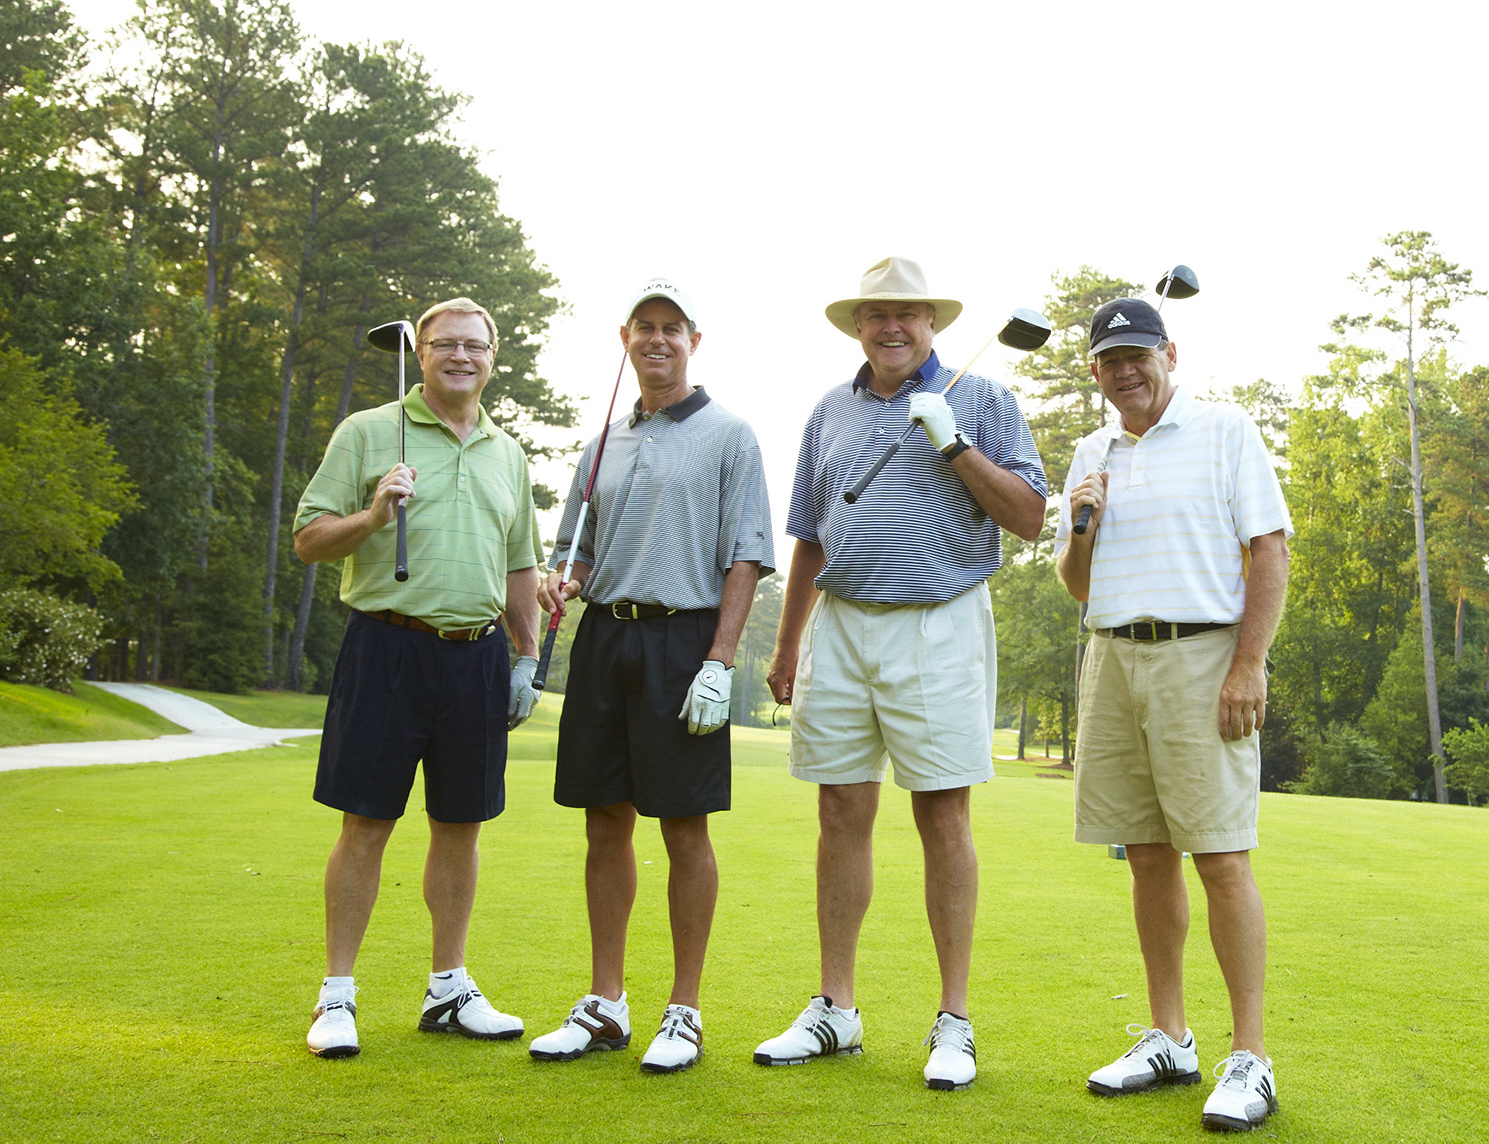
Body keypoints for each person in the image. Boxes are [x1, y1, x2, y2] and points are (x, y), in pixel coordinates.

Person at [758, 256, 1047, 1090]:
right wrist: (786, 645)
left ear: (934, 325)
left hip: (940, 618)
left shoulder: (982, 397)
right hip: (842, 622)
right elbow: (809, 536)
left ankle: (953, 1020)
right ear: (859, 325)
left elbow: (1028, 517)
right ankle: (836, 1009)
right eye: (877, 313)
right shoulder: (828, 410)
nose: (892, 327)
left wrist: (951, 442)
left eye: (908, 314)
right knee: (840, 810)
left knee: (942, 816)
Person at [1053, 295, 1292, 1133]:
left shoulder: (1226, 431)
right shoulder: (1092, 449)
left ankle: (1250, 1057)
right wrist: (1083, 523)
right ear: (1095, 373)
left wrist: (1248, 663)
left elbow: (1270, 548)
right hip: (1112, 655)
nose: (1127, 370)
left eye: (1139, 354)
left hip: (1203, 655)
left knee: (1221, 857)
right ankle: (1169, 1035)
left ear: (1169, 354)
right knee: (1146, 855)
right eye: (1110, 360)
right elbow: (1076, 584)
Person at [527, 280, 774, 1072]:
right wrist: (566, 578)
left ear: (693, 339)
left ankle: (685, 1011)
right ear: (625, 338)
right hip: (605, 639)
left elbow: (746, 555)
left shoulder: (731, 435)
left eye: (672, 328)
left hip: (684, 640)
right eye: (645, 328)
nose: (658, 340)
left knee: (683, 827)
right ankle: (605, 1003)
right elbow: (581, 548)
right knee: (605, 821)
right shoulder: (602, 441)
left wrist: (720, 660)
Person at [293, 296, 544, 1059]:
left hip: (476, 656)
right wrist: (372, 517)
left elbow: (520, 564)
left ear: (493, 357)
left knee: (461, 825)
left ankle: (448, 987)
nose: (460, 356)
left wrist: (527, 656)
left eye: (475, 345)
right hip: (387, 647)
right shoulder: (370, 431)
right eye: (445, 344)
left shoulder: (508, 451)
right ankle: (337, 996)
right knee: (367, 821)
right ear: (421, 351)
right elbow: (308, 538)